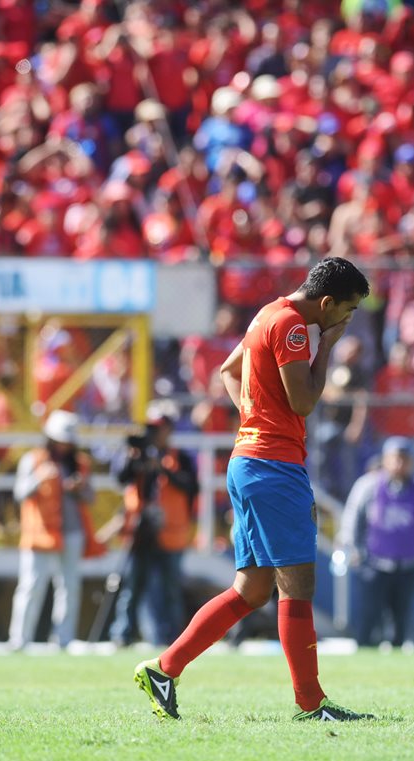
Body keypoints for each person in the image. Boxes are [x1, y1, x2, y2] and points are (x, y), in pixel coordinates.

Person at [134, 257, 373, 722]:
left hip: (249, 460)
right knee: (298, 585)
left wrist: (255, 418)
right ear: (326, 303)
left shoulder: (267, 313)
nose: (347, 319)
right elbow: (303, 402)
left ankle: (163, 670)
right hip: (274, 467)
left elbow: (228, 369)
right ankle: (311, 704)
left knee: (251, 590)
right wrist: (326, 350)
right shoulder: (297, 328)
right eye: (347, 310)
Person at [338, 437, 414, 649]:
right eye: (395, 459)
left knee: (401, 617)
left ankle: (395, 660)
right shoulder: (368, 486)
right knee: (369, 615)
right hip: (374, 562)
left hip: (410, 564)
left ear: (412, 462)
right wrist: (351, 546)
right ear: (385, 460)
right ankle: (364, 657)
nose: (399, 465)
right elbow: (352, 516)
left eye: (404, 460)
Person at [103, 401, 199, 647]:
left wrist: (164, 471)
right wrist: (133, 456)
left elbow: (192, 487)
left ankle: (176, 638)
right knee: (132, 586)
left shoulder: (181, 458)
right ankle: (122, 634)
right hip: (140, 530)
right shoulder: (138, 453)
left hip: (170, 532)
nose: (155, 434)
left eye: (159, 428)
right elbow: (121, 478)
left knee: (171, 589)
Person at [7, 411, 105, 650]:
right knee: (31, 586)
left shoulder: (80, 463)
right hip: (40, 533)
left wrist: (79, 488)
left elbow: (90, 497)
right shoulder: (34, 460)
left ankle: (64, 638)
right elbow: (19, 493)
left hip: (72, 532)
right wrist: (39, 479)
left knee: (70, 586)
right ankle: (19, 639)